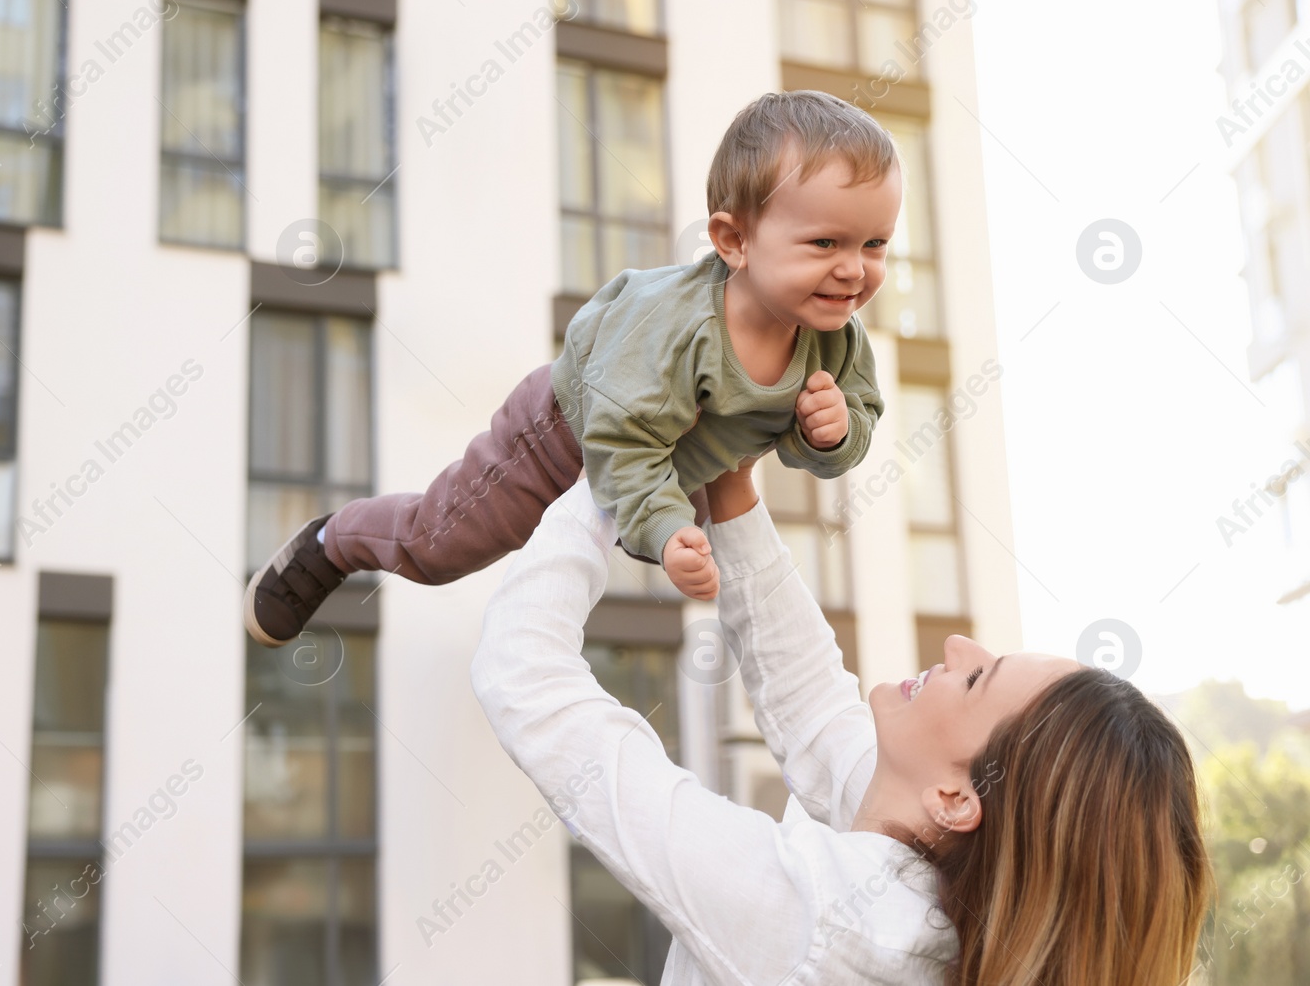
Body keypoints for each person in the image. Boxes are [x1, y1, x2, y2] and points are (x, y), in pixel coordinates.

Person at [471, 465, 1213, 984]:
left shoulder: (822, 921)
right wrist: (731, 489)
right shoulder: (934, 885)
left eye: (980, 675)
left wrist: (613, 464)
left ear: (956, 799)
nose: (958, 647)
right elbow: (816, 704)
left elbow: (524, 672)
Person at [246, 90, 897, 647]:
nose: (853, 268)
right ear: (734, 241)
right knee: (440, 545)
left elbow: (860, 416)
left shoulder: (838, 336)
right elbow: (621, 444)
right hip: (566, 433)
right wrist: (667, 529)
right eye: (825, 243)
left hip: (677, 459)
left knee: (669, 553)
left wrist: (833, 434)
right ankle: (332, 540)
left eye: (875, 244)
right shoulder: (673, 326)